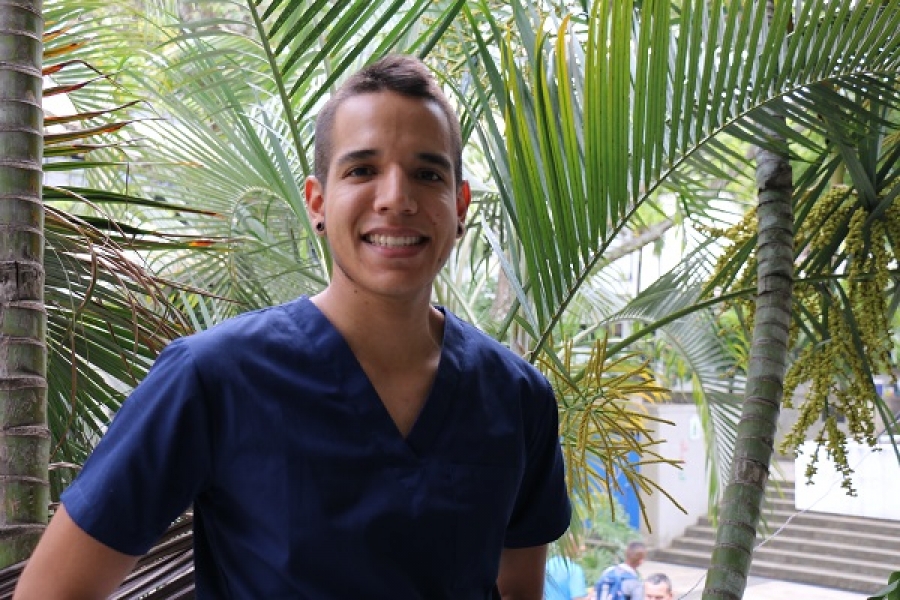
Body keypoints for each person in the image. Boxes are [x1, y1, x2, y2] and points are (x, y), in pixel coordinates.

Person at [15, 54, 572, 599]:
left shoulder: (517, 398)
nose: (396, 199)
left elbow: (519, 591)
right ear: (318, 202)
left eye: (427, 174)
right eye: (362, 170)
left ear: (460, 204)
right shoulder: (213, 378)